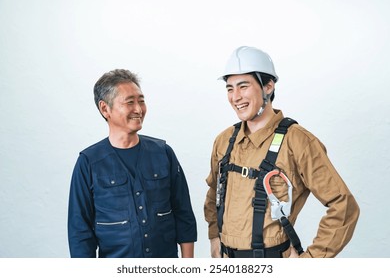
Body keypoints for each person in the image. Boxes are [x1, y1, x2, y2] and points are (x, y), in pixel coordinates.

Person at [204, 46, 359, 258]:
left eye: (243, 86)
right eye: (230, 89)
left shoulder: (298, 141)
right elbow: (214, 194)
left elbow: (344, 206)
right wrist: (214, 237)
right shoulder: (224, 141)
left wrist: (311, 261)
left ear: (268, 86)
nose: (235, 97)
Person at [68, 69, 197, 258]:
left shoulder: (163, 153)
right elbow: (80, 233)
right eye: (130, 102)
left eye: (141, 101)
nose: (139, 109)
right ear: (105, 109)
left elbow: (183, 214)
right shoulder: (88, 162)